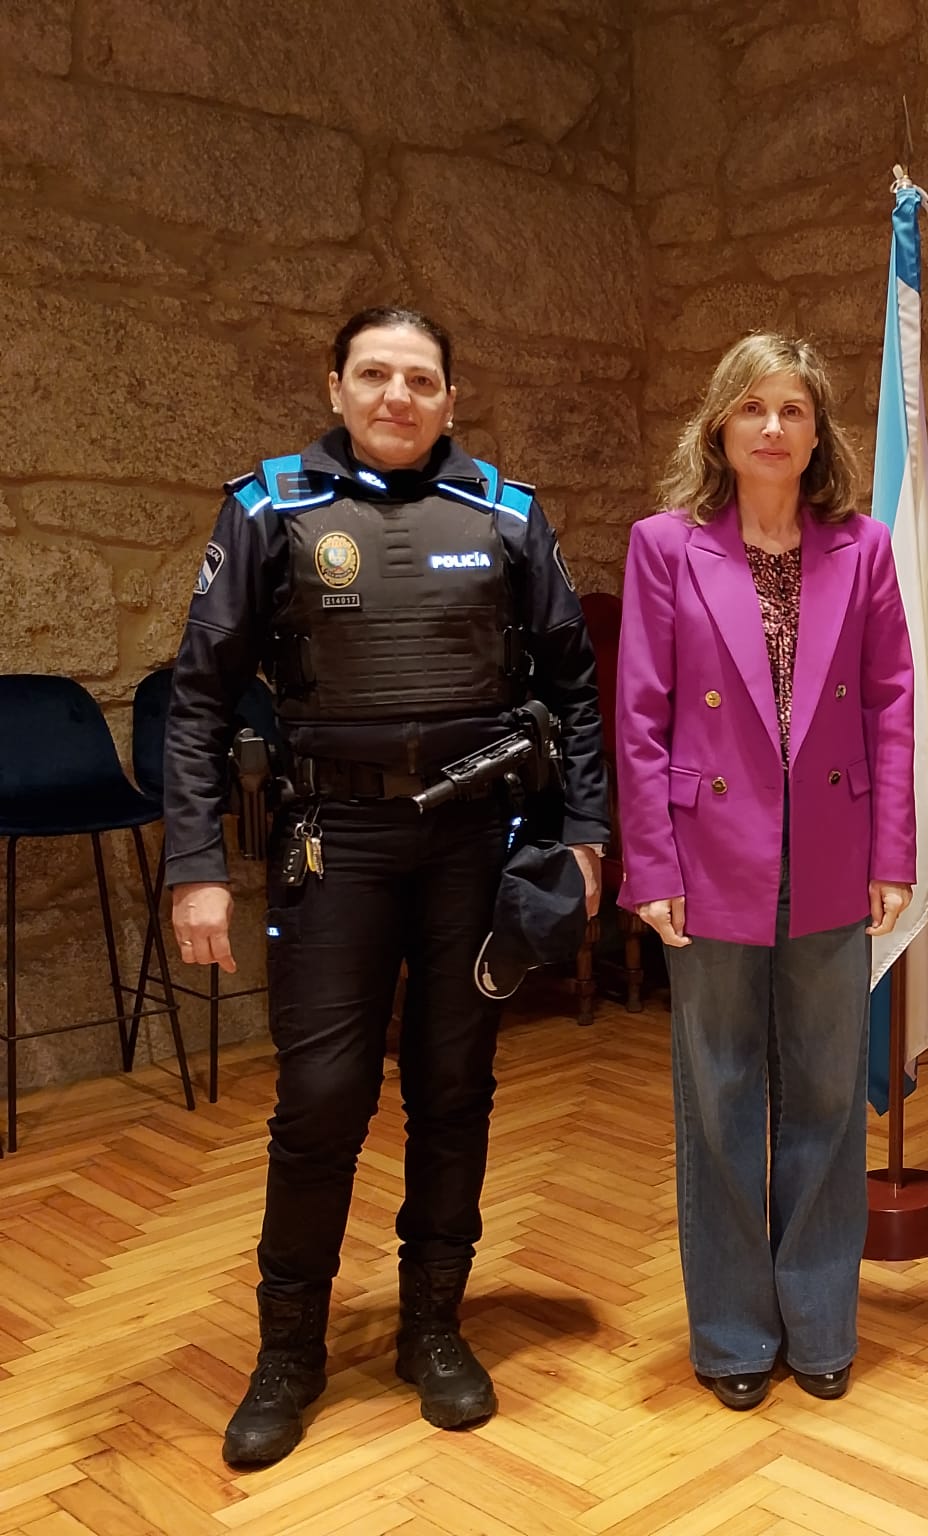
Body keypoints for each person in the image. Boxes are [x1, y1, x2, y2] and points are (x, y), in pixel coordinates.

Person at [164, 306, 607, 1467]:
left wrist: (589, 837)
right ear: (337, 386)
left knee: (456, 1089)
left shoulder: (507, 517)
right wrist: (196, 866)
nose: (398, 396)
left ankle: (432, 1329)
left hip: (473, 846)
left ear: (451, 400)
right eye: (375, 375)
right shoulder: (268, 510)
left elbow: (575, 688)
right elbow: (200, 700)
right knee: (322, 1100)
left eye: (421, 379)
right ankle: (290, 1353)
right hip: (332, 844)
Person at [615, 332, 914, 1412]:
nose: (775, 428)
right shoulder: (664, 546)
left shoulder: (863, 549)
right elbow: (640, 717)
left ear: (818, 430)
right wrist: (650, 862)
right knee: (722, 1096)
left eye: (793, 409)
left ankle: (823, 1322)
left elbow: (891, 708)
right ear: (720, 428)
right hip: (709, 861)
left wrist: (893, 851)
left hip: (834, 855)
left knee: (832, 1096)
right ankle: (736, 1332)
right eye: (753, 409)